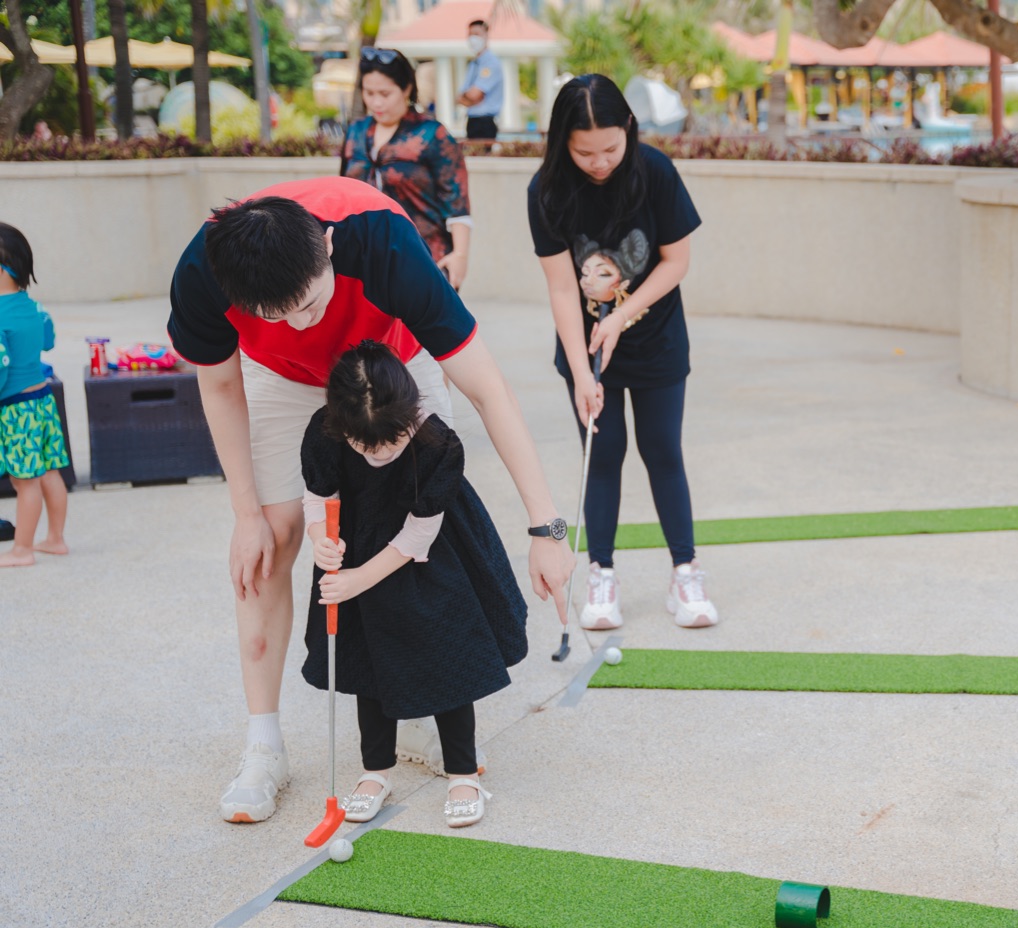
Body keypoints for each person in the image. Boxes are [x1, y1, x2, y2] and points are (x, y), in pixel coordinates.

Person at [168, 176, 574, 824]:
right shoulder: (204, 272)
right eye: (278, 314)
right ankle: (263, 744)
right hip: (282, 379)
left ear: (329, 247)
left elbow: (487, 388)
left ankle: (412, 709)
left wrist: (545, 526)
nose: (302, 322)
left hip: (388, 366)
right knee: (270, 541)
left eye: (308, 301)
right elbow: (219, 390)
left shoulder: (383, 242)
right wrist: (247, 515)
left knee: (422, 539)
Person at [303, 340, 522, 828]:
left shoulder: (437, 443)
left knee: (444, 657)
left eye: (389, 441)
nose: (378, 453)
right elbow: (318, 498)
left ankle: (463, 771)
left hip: (427, 554)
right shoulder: (324, 433)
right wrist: (322, 541)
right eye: (364, 445)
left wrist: (360, 579)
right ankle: (375, 771)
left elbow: (420, 533)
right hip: (357, 541)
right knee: (368, 661)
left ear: (411, 411)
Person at [527, 74, 718, 631]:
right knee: (603, 457)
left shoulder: (653, 170)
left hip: (656, 342)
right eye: (584, 151)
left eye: (611, 147)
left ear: (629, 130)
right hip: (586, 349)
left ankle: (686, 573)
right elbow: (563, 288)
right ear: (562, 141)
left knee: (663, 453)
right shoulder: (546, 191)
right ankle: (602, 575)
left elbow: (675, 262)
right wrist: (583, 372)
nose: (600, 161)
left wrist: (620, 317)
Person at [341, 48, 473, 289]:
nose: (376, 102)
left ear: (406, 89)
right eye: (369, 93)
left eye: (385, 93)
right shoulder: (356, 131)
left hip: (424, 259)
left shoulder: (432, 134)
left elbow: (457, 202)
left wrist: (460, 257)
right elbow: (343, 192)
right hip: (366, 262)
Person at [0, 223, 69, 569]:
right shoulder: (33, 307)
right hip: (42, 400)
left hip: (16, 411)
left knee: (24, 482)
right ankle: (55, 539)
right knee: (48, 472)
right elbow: (48, 341)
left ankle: (22, 549)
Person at [457, 18, 504, 141]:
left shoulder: (491, 63)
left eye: (477, 34)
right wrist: (468, 97)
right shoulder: (473, 64)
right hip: (472, 121)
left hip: (485, 123)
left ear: (486, 35)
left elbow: (474, 94)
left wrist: (469, 97)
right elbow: (460, 98)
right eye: (470, 34)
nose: (473, 39)